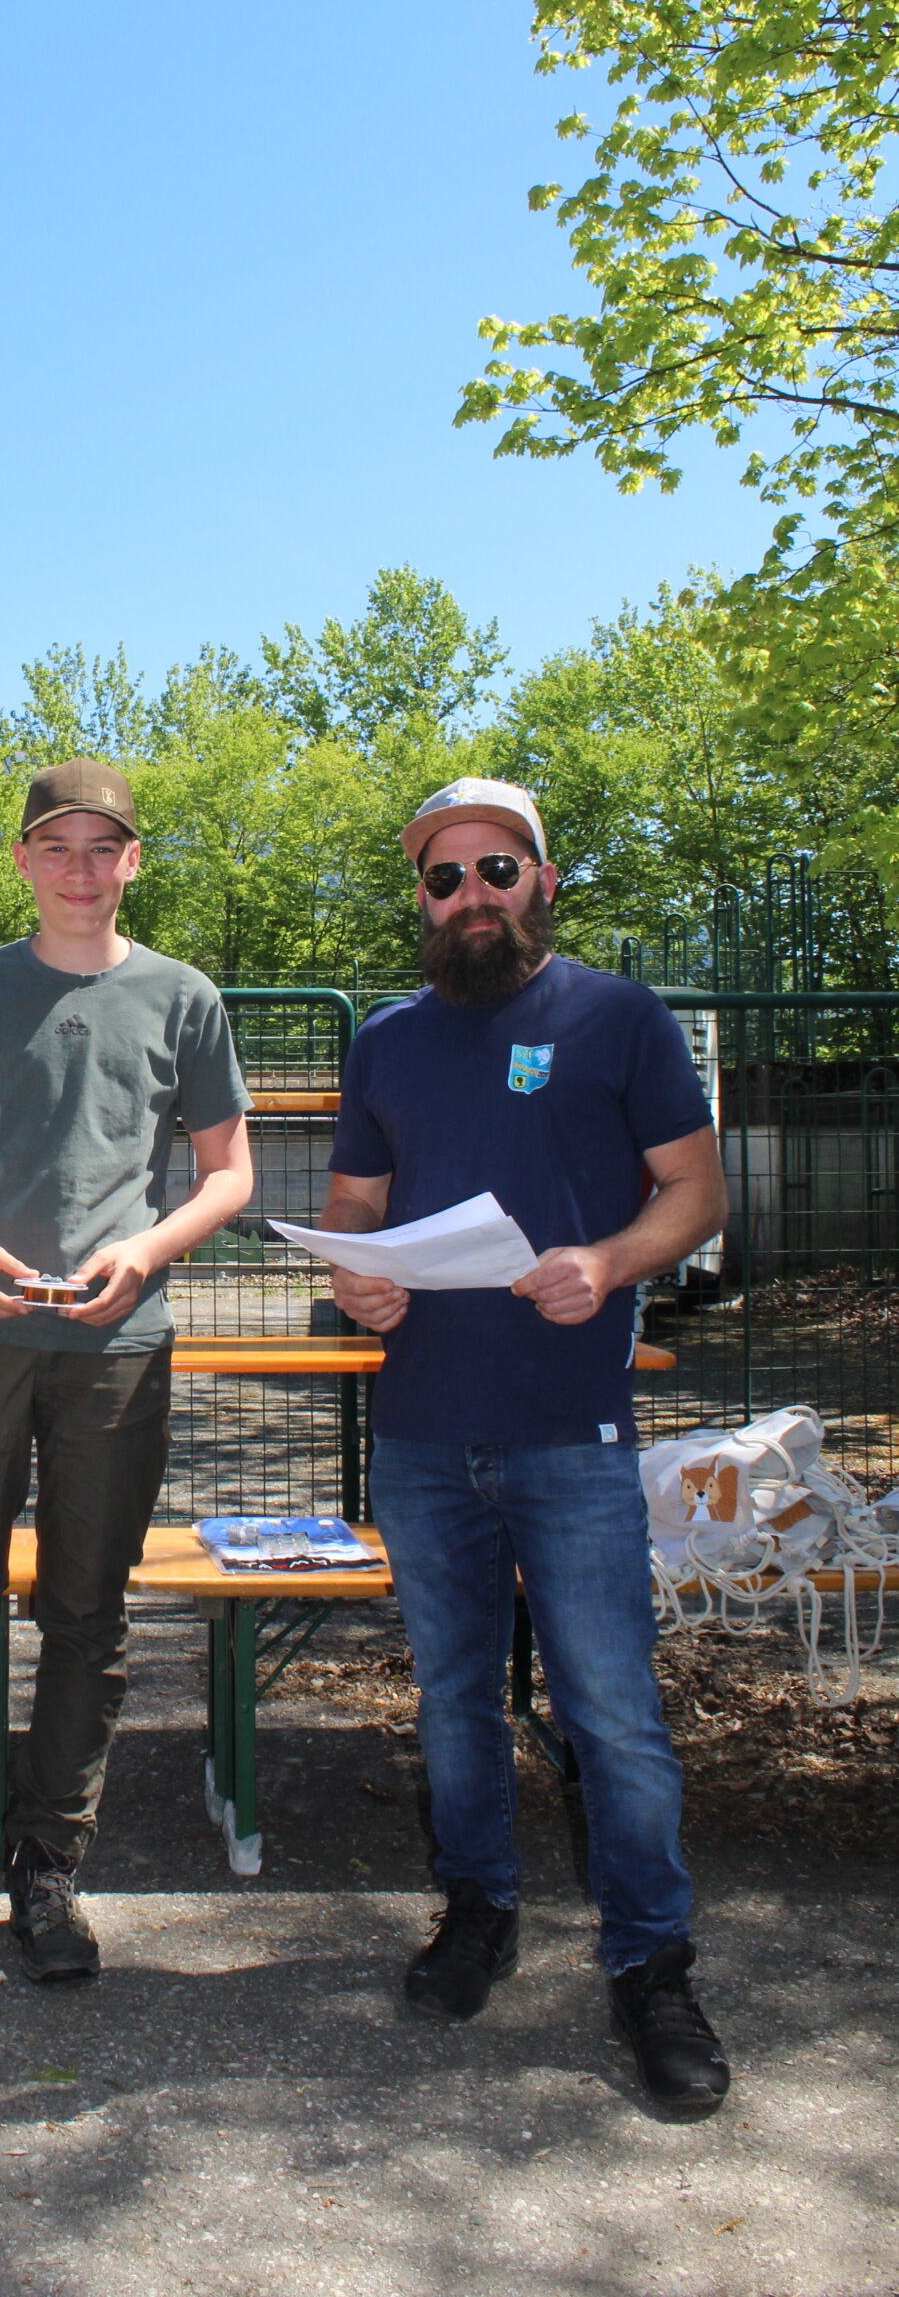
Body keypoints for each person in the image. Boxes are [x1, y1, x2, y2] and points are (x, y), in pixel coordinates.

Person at [322, 776, 732, 2114]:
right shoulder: (387, 1041)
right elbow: (354, 1204)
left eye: (496, 869)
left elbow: (694, 1192)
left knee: (609, 1709)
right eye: (444, 878)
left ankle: (651, 1967)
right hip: (424, 1431)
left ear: (543, 881)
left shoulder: (617, 1017)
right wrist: (355, 1275)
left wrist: (606, 1263)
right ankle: (476, 1911)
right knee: (451, 1697)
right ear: (422, 899)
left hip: (570, 1427)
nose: (471, 896)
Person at [0, 759, 254, 1981]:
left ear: (133, 861)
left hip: (115, 1348)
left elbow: (228, 1172)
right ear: (23, 860)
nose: (80, 869)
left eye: (102, 847)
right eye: (57, 847)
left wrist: (148, 1250)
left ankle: (49, 1867)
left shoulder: (184, 998)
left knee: (86, 1613)